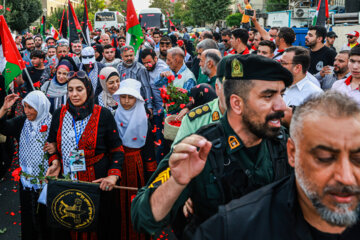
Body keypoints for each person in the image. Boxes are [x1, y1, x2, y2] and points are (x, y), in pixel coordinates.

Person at [131, 54, 293, 238]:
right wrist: (176, 183)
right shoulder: (199, 148)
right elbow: (142, 218)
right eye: (268, 96)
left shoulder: (283, 143)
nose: (281, 106)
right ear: (237, 103)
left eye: (282, 94)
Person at [194, 91, 360, 240]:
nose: (346, 177)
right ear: (292, 153)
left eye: (358, 159)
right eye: (324, 158)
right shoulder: (233, 228)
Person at [46, 71, 124, 239]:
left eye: (79, 89)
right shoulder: (59, 113)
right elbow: (51, 143)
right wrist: (54, 162)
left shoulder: (103, 114)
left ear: (88, 90)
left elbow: (117, 149)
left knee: (95, 224)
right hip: (67, 179)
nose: (74, 94)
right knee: (67, 222)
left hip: (95, 181)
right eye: (70, 89)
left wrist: (113, 176)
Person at [0, 91, 52, 240]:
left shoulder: (54, 123)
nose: (27, 111)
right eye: (25, 107)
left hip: (46, 181)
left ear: (41, 107)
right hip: (27, 182)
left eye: (31, 108)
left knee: (46, 220)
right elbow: (2, 127)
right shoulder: (22, 122)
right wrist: (4, 108)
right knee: (29, 219)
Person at [113, 78, 157, 240]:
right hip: (116, 169)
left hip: (137, 168)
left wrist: (150, 178)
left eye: (130, 97)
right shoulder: (113, 118)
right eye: (123, 96)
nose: (126, 101)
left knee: (135, 203)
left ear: (137, 99)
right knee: (117, 206)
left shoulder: (145, 122)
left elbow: (149, 152)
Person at [140, 48, 169, 162]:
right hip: (155, 110)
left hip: (165, 109)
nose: (147, 65)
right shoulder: (145, 69)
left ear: (155, 58)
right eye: (144, 63)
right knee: (158, 141)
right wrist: (150, 106)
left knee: (164, 141)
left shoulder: (162, 68)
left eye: (149, 62)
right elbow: (147, 88)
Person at [117, 45, 153, 112]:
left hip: (137, 104)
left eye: (131, 55)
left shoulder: (141, 69)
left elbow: (146, 88)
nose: (129, 58)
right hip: (123, 104)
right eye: (126, 56)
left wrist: (149, 105)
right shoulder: (119, 67)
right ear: (121, 56)